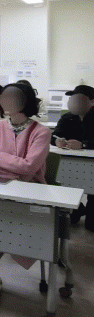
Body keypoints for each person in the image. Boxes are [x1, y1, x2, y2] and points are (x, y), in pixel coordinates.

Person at [0, 83, 51, 293]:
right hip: (0, 185)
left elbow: (30, 167)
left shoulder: (41, 132)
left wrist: (0, 157)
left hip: (30, 189)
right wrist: (14, 168)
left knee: (7, 222)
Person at [51, 84, 94, 229]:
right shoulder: (67, 117)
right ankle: (79, 208)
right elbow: (54, 135)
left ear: (91, 102)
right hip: (70, 162)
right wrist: (57, 141)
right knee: (72, 220)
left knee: (91, 226)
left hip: (91, 164)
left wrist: (83, 145)